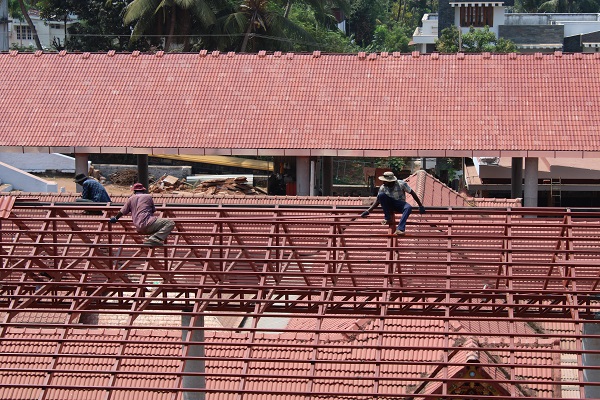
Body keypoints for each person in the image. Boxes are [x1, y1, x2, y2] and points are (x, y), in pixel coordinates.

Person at [108, 183, 175, 246]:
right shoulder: (148, 197)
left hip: (139, 228)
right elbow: (153, 210)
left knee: (156, 225)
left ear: (134, 191)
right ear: (143, 190)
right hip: (149, 224)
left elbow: (122, 211)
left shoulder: (131, 199)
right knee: (170, 223)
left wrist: (115, 218)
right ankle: (155, 238)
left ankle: (149, 238)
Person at [360, 171, 426, 235]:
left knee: (408, 207)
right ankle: (388, 218)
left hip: (399, 203)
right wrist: (368, 211)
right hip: (389, 204)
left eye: (385, 181)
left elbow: (412, 193)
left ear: (390, 181)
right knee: (381, 195)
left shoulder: (401, 184)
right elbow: (378, 200)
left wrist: (420, 205)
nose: (383, 182)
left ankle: (400, 229)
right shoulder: (383, 187)